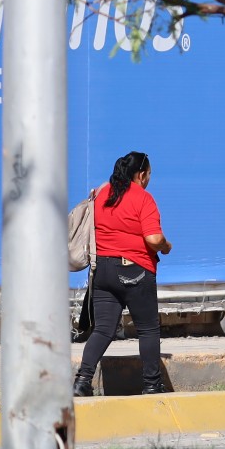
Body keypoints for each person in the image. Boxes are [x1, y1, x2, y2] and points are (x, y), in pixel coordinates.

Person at [73, 151, 172, 396]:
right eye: (149, 175)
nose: (149, 180)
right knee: (148, 329)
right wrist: (166, 246)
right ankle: (152, 385)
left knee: (103, 329)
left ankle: (82, 382)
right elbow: (154, 238)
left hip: (102, 271)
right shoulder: (143, 198)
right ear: (141, 174)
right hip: (135, 271)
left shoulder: (102, 193)